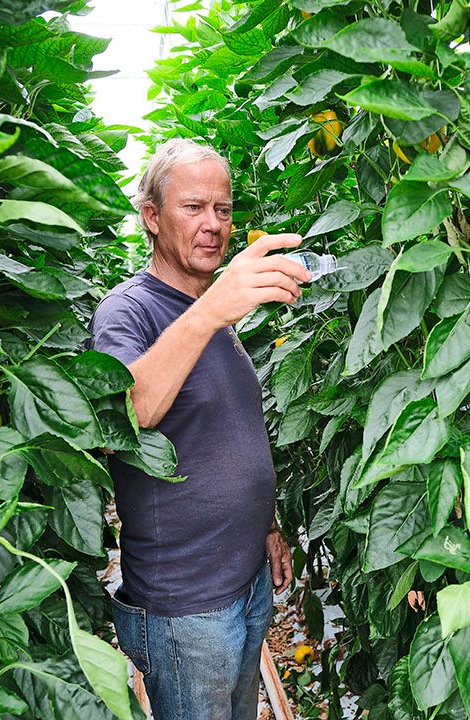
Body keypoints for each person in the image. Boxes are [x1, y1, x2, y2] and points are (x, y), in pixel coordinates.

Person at [88, 138, 312, 719]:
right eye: (193, 207)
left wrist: (266, 525)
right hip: (187, 607)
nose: (213, 225)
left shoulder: (213, 313)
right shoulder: (129, 310)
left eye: (223, 209)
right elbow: (126, 415)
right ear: (152, 218)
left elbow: (226, 429)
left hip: (242, 581)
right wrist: (213, 308)